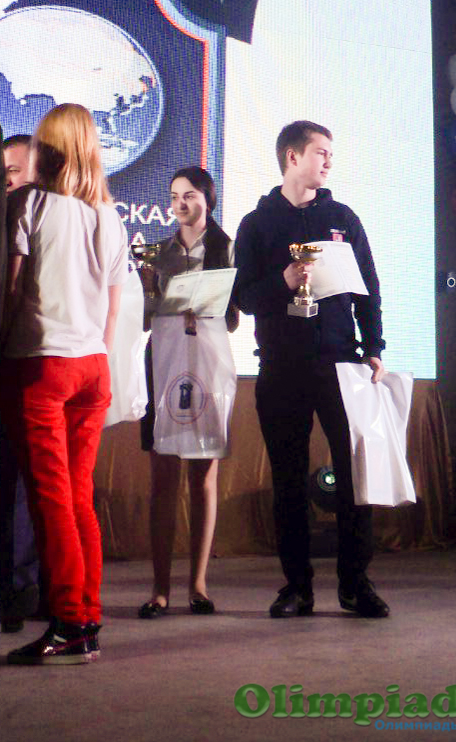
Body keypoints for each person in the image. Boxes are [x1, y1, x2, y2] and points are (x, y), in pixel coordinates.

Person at [234, 120, 389, 619]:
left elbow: (368, 286)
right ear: (293, 157)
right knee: (289, 481)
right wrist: (283, 280)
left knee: (354, 476)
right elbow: (244, 298)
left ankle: (355, 584)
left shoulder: (342, 218)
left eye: (330, 154)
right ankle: (296, 587)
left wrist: (374, 346)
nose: (328, 161)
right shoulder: (256, 225)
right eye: (321, 152)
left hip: (340, 365)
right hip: (281, 368)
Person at [0, 104, 128, 664]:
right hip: (92, 366)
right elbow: (113, 310)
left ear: (44, 150)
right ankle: (87, 620)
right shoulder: (109, 214)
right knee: (77, 499)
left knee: (51, 501)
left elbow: (11, 292)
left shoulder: (29, 203)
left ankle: (70, 622)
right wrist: (93, 355)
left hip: (41, 363)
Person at [138, 166, 238, 620]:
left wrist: (208, 301)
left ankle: (198, 585)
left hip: (207, 366)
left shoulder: (227, 248)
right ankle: (159, 589)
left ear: (208, 200)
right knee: (163, 480)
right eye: (175, 196)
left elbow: (233, 319)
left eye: (190, 195)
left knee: (203, 479)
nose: (180, 203)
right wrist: (147, 293)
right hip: (163, 366)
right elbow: (145, 319)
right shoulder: (157, 253)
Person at [0, 134, 41, 634]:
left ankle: (21, 589)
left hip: (27, 359)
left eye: (13, 169)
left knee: (20, 484)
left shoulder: (30, 210)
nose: (7, 179)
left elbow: (13, 290)